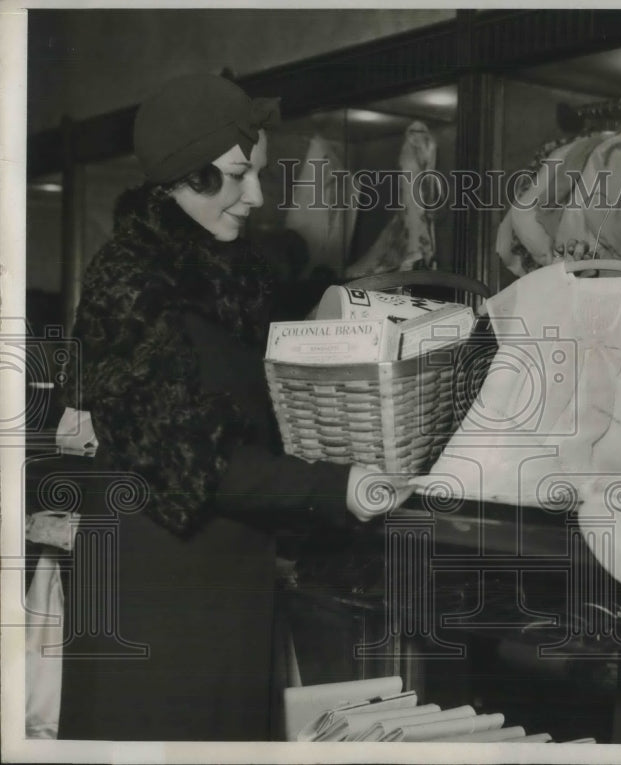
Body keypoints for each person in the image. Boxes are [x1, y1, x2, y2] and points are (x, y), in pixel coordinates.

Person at [58, 73, 411, 741]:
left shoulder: (226, 268)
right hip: (157, 602)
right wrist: (338, 486)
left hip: (221, 590)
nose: (256, 195)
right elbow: (198, 459)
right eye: (237, 175)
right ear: (183, 176)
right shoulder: (129, 282)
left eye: (258, 174)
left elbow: (282, 275)